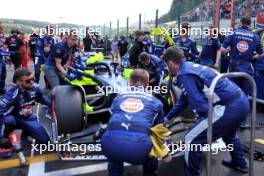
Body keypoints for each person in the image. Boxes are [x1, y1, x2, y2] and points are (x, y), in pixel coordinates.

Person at [163, 46, 249, 176]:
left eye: (166, 65)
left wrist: (200, 123)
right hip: (241, 102)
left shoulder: (183, 74)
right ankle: (240, 163)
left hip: (228, 108)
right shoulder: (191, 66)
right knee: (229, 134)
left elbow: (200, 105)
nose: (167, 68)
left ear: (170, 63)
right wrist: (168, 118)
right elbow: (185, 99)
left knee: (191, 138)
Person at [101, 69, 164, 176]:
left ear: (129, 82)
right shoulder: (156, 102)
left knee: (114, 137)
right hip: (139, 150)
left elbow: (111, 122)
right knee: (155, 142)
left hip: (109, 146)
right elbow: (160, 133)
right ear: (148, 84)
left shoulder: (117, 98)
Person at [0, 68, 50, 143]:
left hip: (28, 117)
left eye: (32, 79)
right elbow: (1, 111)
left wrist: (54, 105)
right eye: (28, 81)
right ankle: (6, 135)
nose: (32, 82)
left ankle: (26, 131)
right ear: (18, 82)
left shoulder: (35, 88)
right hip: (15, 118)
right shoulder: (12, 94)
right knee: (9, 120)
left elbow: (42, 99)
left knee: (45, 141)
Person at [221, 16, 264, 96]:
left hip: (234, 67)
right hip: (247, 68)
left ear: (240, 23)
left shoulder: (233, 33)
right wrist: (252, 57)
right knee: (245, 94)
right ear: (250, 24)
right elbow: (261, 54)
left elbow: (222, 49)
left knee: (233, 93)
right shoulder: (255, 36)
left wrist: (228, 53)